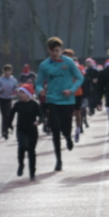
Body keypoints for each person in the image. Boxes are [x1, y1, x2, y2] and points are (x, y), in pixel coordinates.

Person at [37, 37, 83, 171]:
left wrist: (72, 90)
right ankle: (58, 160)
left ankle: (68, 137)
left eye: (57, 51)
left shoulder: (68, 62)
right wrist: (40, 90)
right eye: (52, 51)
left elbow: (80, 77)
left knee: (66, 128)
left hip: (67, 101)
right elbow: (38, 82)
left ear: (61, 50)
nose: (55, 54)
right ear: (48, 50)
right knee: (55, 129)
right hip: (52, 100)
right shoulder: (44, 65)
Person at [13, 84, 42, 180]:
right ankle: (21, 164)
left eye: (23, 93)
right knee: (22, 146)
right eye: (19, 92)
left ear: (28, 94)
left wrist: (39, 121)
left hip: (32, 131)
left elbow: (42, 116)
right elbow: (11, 115)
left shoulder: (34, 105)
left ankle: (32, 171)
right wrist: (8, 125)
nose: (20, 94)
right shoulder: (17, 104)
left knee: (31, 151)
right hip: (21, 130)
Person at [0, 64, 18, 140]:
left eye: (9, 71)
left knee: (8, 114)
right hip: (1, 99)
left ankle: (9, 125)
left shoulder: (13, 80)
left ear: (11, 71)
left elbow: (16, 88)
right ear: (4, 71)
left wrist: (16, 91)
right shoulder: (0, 80)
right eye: (6, 71)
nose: (7, 72)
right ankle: (4, 131)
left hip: (9, 98)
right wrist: (1, 89)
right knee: (4, 115)